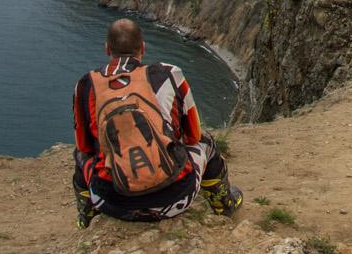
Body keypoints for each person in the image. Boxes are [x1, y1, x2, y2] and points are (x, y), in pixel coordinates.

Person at [72, 19, 241, 229]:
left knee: (80, 155)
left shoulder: (85, 85)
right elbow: (193, 136)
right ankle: (223, 204)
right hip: (175, 198)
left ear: (107, 49)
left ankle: (86, 215)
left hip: (111, 203)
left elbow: (84, 146)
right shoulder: (170, 74)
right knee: (207, 143)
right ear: (143, 47)